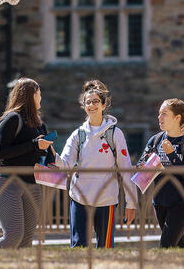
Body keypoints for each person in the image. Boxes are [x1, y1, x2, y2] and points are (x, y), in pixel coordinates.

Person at [53, 80, 138, 248]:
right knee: (78, 246)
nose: (92, 105)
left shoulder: (115, 134)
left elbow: (126, 170)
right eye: (88, 102)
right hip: (79, 197)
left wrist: (132, 203)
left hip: (106, 199)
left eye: (96, 101)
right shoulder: (78, 134)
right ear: (84, 106)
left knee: (105, 248)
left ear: (104, 105)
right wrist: (49, 152)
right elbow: (65, 164)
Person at [0, 78, 55, 249]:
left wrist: (48, 154)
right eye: (39, 94)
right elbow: (0, 153)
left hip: (32, 184)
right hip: (7, 182)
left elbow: (40, 154)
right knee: (13, 235)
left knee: (26, 239)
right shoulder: (12, 119)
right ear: (31, 95)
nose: (41, 98)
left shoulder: (40, 124)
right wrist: (34, 144)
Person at [142, 98, 184, 248]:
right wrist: (148, 165)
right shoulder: (155, 140)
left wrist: (171, 155)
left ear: (177, 118)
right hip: (160, 200)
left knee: (166, 244)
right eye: (159, 114)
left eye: (164, 114)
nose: (159, 117)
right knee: (177, 245)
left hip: (182, 201)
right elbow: (141, 166)